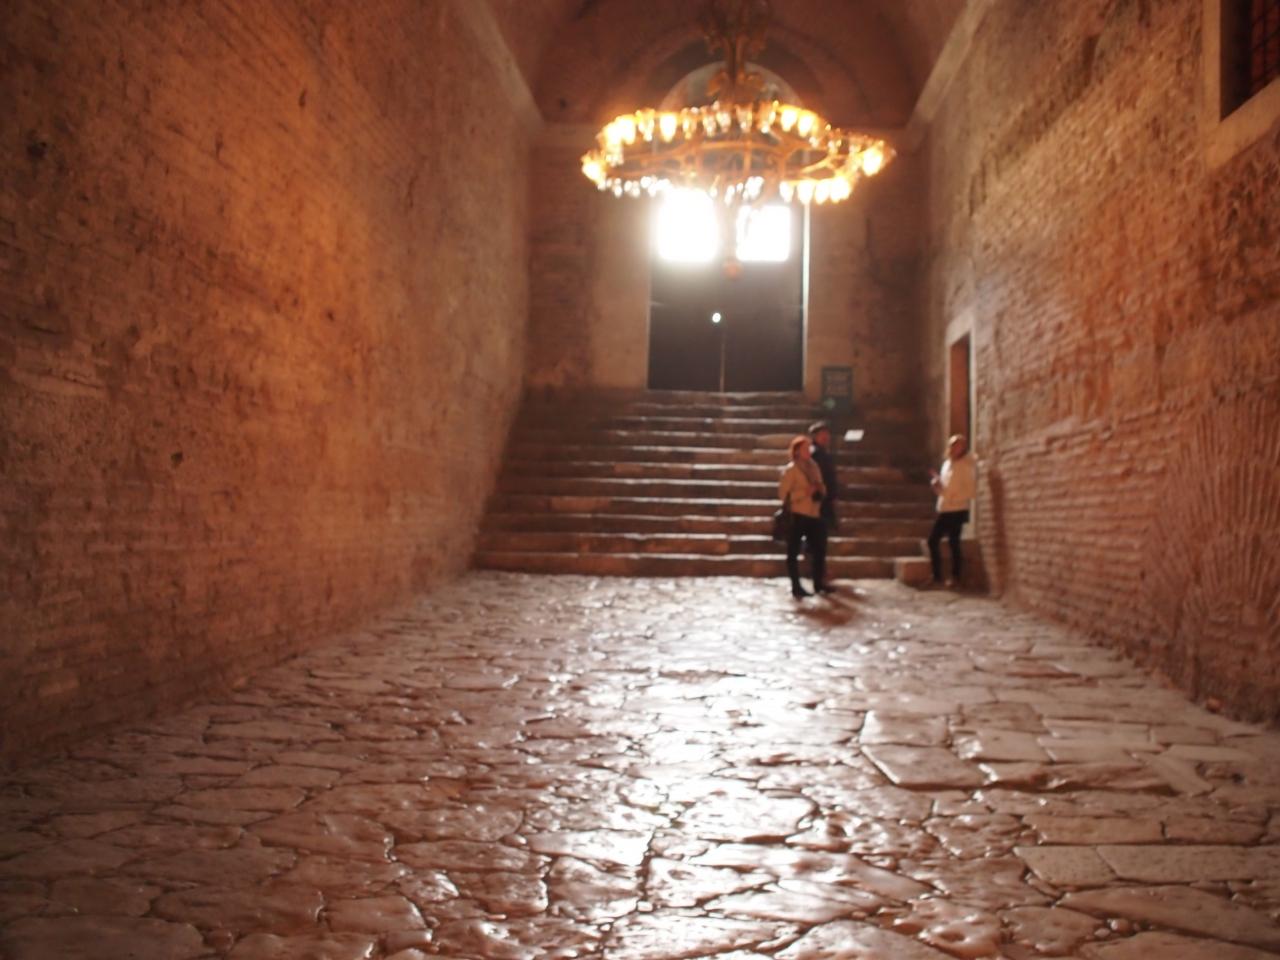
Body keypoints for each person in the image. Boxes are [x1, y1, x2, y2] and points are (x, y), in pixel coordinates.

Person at [778, 434, 830, 599]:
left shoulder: (814, 466)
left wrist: (820, 489)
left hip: (814, 513)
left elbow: (821, 486)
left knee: (819, 550)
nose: (808, 451)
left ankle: (818, 583)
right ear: (797, 451)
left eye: (809, 448)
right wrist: (805, 492)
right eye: (805, 448)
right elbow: (783, 495)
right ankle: (796, 586)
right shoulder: (791, 470)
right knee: (793, 551)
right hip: (797, 514)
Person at [927, 434, 977, 588]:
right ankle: (940, 576)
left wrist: (947, 494)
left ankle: (952, 577)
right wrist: (937, 483)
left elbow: (971, 491)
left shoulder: (966, 466)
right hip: (945, 508)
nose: (956, 448)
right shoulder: (947, 463)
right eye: (953, 445)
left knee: (948, 542)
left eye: (959, 445)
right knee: (940, 541)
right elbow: (945, 486)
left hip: (957, 508)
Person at [808, 421, 839, 533]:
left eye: (827, 433)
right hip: (819, 495)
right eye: (823, 434)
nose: (826, 437)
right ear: (815, 436)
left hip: (825, 494)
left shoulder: (822, 452)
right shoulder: (814, 453)